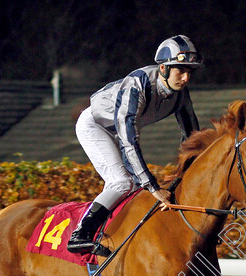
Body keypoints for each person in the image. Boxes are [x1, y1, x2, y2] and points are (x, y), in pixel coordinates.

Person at [66, 35, 202, 255]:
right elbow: (129, 139)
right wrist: (154, 186)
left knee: (137, 189)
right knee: (122, 182)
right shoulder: (138, 84)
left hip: (118, 132)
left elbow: (193, 138)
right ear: (164, 68)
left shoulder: (181, 95)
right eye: (180, 70)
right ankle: (80, 235)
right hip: (94, 125)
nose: (186, 78)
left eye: (190, 72)